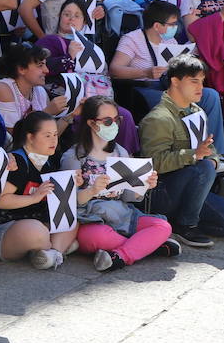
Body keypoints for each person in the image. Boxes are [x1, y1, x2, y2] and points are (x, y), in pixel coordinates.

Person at [109, 0, 224, 178]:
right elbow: (115, 69)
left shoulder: (170, 40)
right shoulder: (132, 39)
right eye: (171, 24)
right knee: (181, 106)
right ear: (156, 26)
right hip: (143, 88)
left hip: (171, 85)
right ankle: (186, 153)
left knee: (211, 96)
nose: (175, 27)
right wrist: (144, 72)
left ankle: (216, 155)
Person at [138, 54, 224, 247]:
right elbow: (153, 163)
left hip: (192, 186)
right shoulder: (159, 118)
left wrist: (213, 160)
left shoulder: (197, 111)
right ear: (175, 81)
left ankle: (175, 218)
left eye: (202, 81)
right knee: (202, 167)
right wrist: (194, 155)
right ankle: (184, 225)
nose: (200, 87)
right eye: (194, 81)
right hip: (162, 190)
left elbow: (209, 149)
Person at [59, 97, 175, 272]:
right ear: (91, 123)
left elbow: (129, 197)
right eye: (107, 121)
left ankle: (120, 256)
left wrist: (144, 185)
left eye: (116, 119)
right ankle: (147, 247)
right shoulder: (73, 157)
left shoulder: (121, 152)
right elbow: (66, 202)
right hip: (90, 220)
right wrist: (92, 190)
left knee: (163, 226)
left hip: (122, 215)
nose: (113, 124)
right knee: (98, 236)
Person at [0, 112, 80, 270]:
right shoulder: (16, 162)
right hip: (3, 229)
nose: (54, 140)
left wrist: (73, 184)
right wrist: (35, 197)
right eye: (47, 136)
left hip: (36, 222)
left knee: (71, 221)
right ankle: (54, 248)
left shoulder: (49, 160)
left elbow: (58, 203)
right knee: (37, 233)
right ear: (30, 137)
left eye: (55, 135)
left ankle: (52, 254)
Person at [36, 0, 140, 152]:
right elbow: (41, 68)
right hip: (67, 101)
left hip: (96, 99)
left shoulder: (92, 47)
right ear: (60, 18)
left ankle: (125, 157)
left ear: (84, 22)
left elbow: (104, 76)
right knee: (85, 118)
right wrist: (68, 57)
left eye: (77, 16)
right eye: (67, 14)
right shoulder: (49, 41)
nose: (71, 18)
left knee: (124, 115)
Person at [0, 43, 74, 135]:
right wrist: (47, 113)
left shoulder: (40, 91)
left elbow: (49, 138)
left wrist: (70, 114)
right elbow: (13, 137)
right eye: (40, 65)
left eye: (45, 65)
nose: (46, 70)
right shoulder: (3, 89)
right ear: (21, 69)